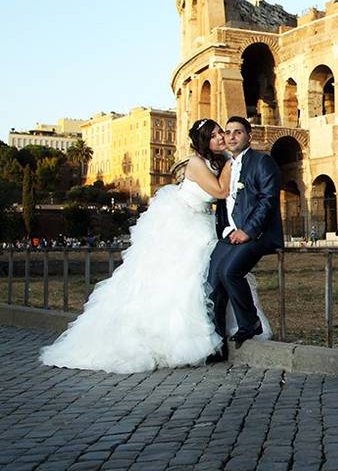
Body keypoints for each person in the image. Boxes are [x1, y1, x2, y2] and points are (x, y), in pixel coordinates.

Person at [41, 119, 269, 374]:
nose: (221, 138)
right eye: (215, 135)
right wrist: (232, 161)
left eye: (221, 133)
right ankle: (183, 339)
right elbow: (219, 190)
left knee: (208, 278)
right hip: (184, 223)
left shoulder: (217, 161)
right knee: (184, 280)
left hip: (203, 222)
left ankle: (221, 333)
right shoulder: (197, 163)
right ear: (204, 141)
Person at [208, 116, 282, 359]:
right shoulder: (229, 165)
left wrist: (248, 231)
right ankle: (217, 344)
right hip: (230, 234)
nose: (231, 136)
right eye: (227, 132)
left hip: (258, 234)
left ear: (249, 137)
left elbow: (267, 199)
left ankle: (250, 323)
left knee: (230, 272)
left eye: (237, 132)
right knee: (213, 282)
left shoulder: (262, 162)